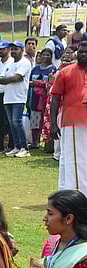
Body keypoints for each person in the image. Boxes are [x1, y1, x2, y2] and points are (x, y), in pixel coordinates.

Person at [50, 44, 87, 195]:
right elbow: (55, 99)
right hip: (73, 122)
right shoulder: (66, 72)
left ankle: (68, 193)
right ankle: (78, 195)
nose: (83, 54)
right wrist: (53, 123)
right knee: (75, 159)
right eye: (81, 52)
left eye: (86, 52)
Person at [0, 41, 33, 158]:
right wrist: (11, 79)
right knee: (12, 124)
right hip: (8, 97)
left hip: (19, 97)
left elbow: (17, 77)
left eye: (16, 49)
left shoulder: (25, 62)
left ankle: (24, 148)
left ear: (22, 50)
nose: (13, 51)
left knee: (17, 122)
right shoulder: (9, 64)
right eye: (12, 49)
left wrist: (10, 79)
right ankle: (17, 147)